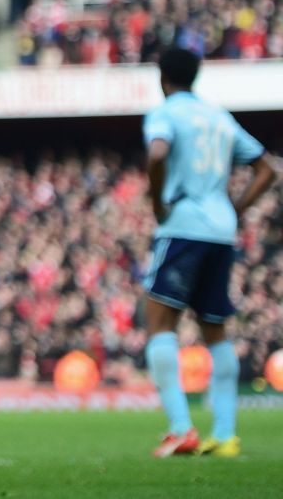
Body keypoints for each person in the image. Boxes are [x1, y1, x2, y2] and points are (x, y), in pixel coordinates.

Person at [141, 46, 279, 459]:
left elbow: (158, 153)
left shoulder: (165, 113)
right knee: (214, 328)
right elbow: (268, 168)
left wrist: (157, 203)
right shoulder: (220, 117)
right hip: (221, 233)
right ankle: (226, 435)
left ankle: (182, 428)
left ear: (162, 78)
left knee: (160, 322)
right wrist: (234, 209)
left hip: (183, 226)